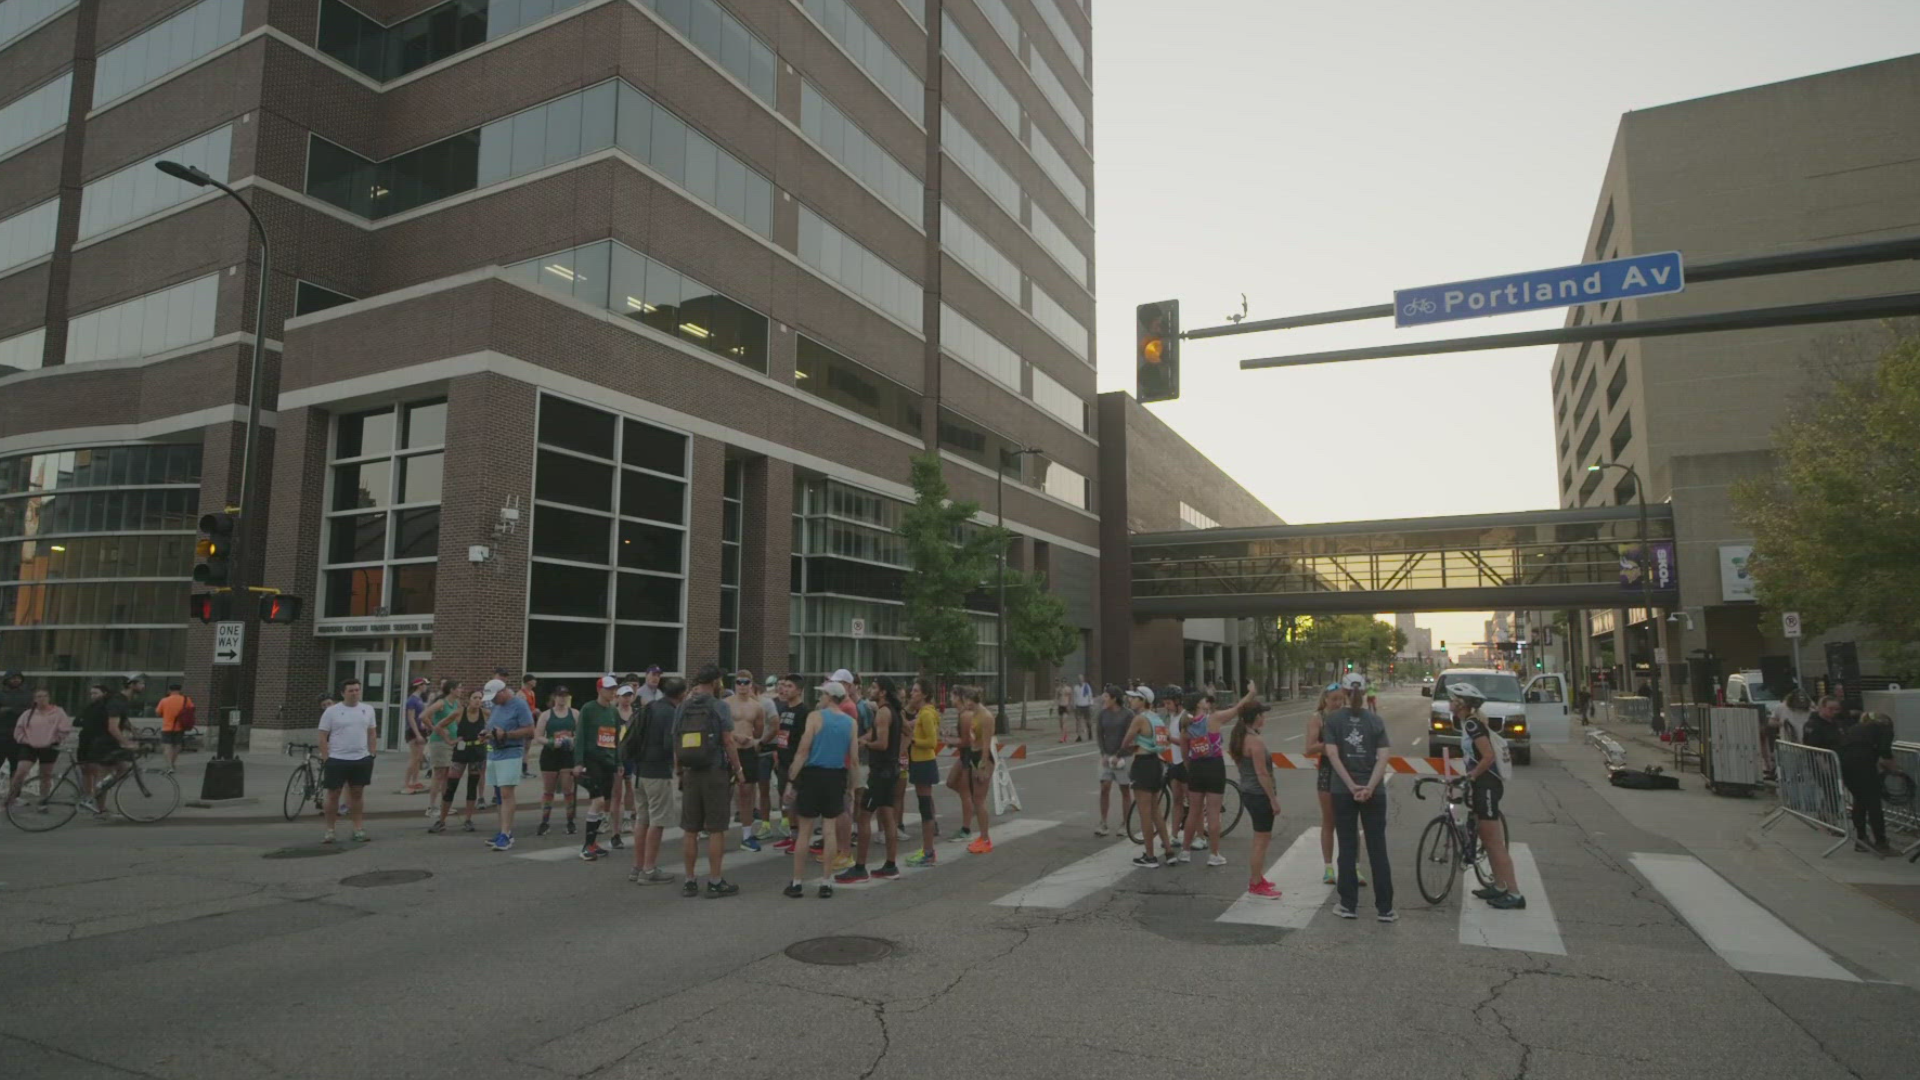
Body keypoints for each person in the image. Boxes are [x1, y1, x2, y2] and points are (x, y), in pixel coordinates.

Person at [1322, 674, 1395, 921]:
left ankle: (1348, 904)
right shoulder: (1375, 720)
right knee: (1378, 848)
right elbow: (1383, 757)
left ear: (1343, 691)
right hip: (1374, 792)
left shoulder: (1332, 720)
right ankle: (1385, 908)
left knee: (1347, 846)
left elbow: (1333, 756)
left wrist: (1352, 786)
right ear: (1365, 693)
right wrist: (1370, 787)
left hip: (1343, 791)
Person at [1449, 682, 1525, 910]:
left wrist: (1471, 776)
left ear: (1461, 704)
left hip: (1487, 786)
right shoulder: (1469, 723)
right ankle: (1500, 886)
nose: (1449, 703)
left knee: (1493, 842)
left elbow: (1488, 757)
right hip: (1481, 786)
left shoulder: (1473, 725)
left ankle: (1514, 893)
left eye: (1452, 700)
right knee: (1487, 839)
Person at [785, 679, 858, 898]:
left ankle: (797, 882)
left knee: (805, 831)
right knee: (829, 829)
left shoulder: (815, 717)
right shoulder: (850, 723)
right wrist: (852, 787)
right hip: (836, 776)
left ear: (828, 697)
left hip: (812, 775)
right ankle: (826, 882)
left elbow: (803, 751)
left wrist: (791, 780)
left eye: (822, 694)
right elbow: (853, 760)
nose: (820, 698)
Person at [675, 665, 743, 898]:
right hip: (715, 771)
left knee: (690, 829)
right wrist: (739, 769)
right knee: (716, 829)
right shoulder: (719, 706)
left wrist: (679, 772)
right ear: (715, 682)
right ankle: (714, 881)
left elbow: (676, 741)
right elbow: (728, 741)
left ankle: (690, 880)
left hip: (691, 771)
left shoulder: (683, 705)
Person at [1181, 682, 1260, 867]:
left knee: (1194, 811)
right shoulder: (1213, 719)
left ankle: (1185, 851)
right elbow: (1238, 708)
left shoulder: (1187, 727)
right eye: (1204, 700)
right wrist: (1251, 693)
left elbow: (1185, 754)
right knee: (1214, 812)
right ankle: (1214, 854)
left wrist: (1190, 768)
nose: (1208, 702)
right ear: (1200, 705)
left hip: (1196, 767)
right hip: (1214, 766)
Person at [839, 676, 904, 883]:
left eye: (875, 687)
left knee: (864, 816)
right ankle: (890, 865)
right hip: (891, 769)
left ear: (883, 692)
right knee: (887, 816)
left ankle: (859, 868)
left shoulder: (883, 712)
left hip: (881, 771)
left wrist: (866, 744)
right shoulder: (892, 711)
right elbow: (901, 734)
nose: (870, 690)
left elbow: (883, 743)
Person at [1305, 685, 1367, 886]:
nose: (1338, 703)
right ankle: (1328, 868)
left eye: (1341, 699)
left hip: (1349, 771)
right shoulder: (1318, 718)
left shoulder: (1349, 717)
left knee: (1351, 822)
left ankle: (1355, 868)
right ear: (1325, 700)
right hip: (1328, 771)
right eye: (1334, 699)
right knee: (1329, 821)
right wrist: (1330, 748)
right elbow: (1309, 747)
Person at [627, 675, 684, 884]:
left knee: (642, 819)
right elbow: (670, 745)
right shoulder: (670, 712)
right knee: (657, 821)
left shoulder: (650, 707)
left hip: (639, 769)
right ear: (681, 694)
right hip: (658, 771)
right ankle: (649, 869)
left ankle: (637, 866)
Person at [1229, 697, 1283, 899]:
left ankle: (1258, 877)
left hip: (1248, 790)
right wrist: (1273, 799)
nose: (1264, 717)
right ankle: (1255, 882)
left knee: (1260, 838)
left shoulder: (1240, 738)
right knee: (1261, 839)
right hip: (1259, 794)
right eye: (1262, 714)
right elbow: (1262, 773)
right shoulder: (1255, 742)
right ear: (1256, 717)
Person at [317, 679, 379, 843]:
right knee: (333, 794)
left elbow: (372, 733)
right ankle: (330, 830)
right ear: (343, 693)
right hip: (337, 759)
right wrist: (326, 757)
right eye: (351, 691)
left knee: (357, 794)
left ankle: (358, 828)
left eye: (357, 690)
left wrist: (372, 754)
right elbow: (322, 735)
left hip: (361, 759)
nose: (354, 693)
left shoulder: (368, 709)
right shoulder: (332, 711)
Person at [1120, 685, 1172, 866]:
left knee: (1145, 814)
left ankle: (1150, 856)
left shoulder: (1139, 718)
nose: (1130, 700)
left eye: (1134, 698)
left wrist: (1131, 746)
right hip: (1157, 763)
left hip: (1143, 763)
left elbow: (1126, 741)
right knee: (1156, 811)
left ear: (1143, 701)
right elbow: (1162, 742)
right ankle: (1169, 850)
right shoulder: (1156, 718)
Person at [481, 678, 535, 851]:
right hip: (494, 752)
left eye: (495, 696)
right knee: (498, 794)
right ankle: (504, 831)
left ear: (503, 692)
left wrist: (507, 734)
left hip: (511, 752)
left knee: (506, 793)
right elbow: (492, 726)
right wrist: (486, 733)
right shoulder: (496, 706)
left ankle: (506, 834)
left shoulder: (519, 705)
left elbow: (529, 730)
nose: (493, 700)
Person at [570, 681, 620, 861]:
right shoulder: (588, 709)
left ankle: (593, 843)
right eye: (609, 689)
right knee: (597, 800)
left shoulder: (614, 711)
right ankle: (586, 845)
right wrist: (578, 762)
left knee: (603, 802)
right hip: (592, 761)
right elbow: (580, 735)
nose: (613, 692)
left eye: (614, 689)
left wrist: (618, 761)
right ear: (599, 690)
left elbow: (615, 739)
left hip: (608, 761)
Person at [1837, 711, 1897, 856]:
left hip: (1844, 763)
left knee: (1859, 799)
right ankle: (1881, 842)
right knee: (1874, 803)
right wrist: (1895, 769)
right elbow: (1885, 751)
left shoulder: (1856, 728)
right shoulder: (1885, 729)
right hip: (1863, 765)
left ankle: (1861, 838)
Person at [949, 684, 996, 854]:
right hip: (975, 756)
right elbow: (974, 737)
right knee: (977, 799)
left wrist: (982, 766)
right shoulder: (975, 714)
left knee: (980, 801)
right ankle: (982, 835)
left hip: (983, 759)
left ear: (971, 699)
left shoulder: (986, 716)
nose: (965, 704)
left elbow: (986, 744)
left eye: (966, 700)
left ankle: (985, 838)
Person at [432, 688, 487, 833]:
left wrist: (487, 736)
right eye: (475, 697)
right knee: (451, 786)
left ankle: (468, 820)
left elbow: (495, 727)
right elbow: (439, 726)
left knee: (472, 786)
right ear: (469, 699)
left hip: (477, 752)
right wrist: (449, 740)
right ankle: (441, 821)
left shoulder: (486, 713)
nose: (477, 701)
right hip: (461, 750)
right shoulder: (459, 712)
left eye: (480, 698)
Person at [76, 681, 135, 814]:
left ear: (105, 693)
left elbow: (120, 721)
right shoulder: (98, 706)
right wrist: (126, 742)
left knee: (120, 769)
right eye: (91, 693)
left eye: (95, 693)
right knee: (97, 774)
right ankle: (97, 804)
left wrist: (131, 730)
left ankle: (96, 797)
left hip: (101, 742)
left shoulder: (105, 705)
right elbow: (111, 726)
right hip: (95, 742)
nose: (92, 696)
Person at [726, 669, 769, 851]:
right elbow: (721, 728)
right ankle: (712, 829)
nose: (742, 686)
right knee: (722, 791)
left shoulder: (757, 706)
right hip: (730, 750)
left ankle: (747, 834)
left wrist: (750, 738)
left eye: (746, 682)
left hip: (748, 751)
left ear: (751, 684)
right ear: (735, 684)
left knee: (747, 793)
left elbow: (759, 731)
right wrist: (736, 736)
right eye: (739, 682)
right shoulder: (726, 704)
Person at [7, 687, 71, 808]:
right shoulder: (28, 713)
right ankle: (11, 798)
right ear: (35, 699)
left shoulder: (58, 712)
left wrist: (55, 739)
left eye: (44, 696)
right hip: (29, 746)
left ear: (49, 698)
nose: (42, 699)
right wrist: (26, 740)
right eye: (39, 697)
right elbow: (19, 731)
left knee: (45, 775)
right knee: (20, 772)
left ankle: (43, 801)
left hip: (49, 747)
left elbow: (65, 729)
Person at [901, 677, 942, 866]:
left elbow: (932, 742)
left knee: (925, 809)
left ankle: (928, 851)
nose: (912, 693)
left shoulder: (926, 714)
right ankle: (927, 849)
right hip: (919, 762)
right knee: (924, 806)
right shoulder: (923, 712)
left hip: (924, 762)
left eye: (916, 691)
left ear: (924, 694)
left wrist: (913, 741)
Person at [534, 685, 579, 838]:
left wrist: (572, 740)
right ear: (554, 697)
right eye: (559, 695)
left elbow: (581, 733)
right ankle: (544, 821)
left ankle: (570, 821)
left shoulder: (574, 714)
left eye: (565, 696)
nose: (562, 698)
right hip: (550, 755)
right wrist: (552, 742)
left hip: (567, 755)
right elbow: (538, 736)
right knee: (548, 790)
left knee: (568, 789)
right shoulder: (546, 715)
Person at [769, 674, 804, 850]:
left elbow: (805, 742)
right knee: (786, 802)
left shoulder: (804, 712)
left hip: (795, 764)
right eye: (784, 686)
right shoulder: (783, 709)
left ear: (798, 690)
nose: (785, 689)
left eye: (790, 686)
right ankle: (793, 835)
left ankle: (800, 840)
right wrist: (777, 751)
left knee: (795, 801)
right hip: (782, 762)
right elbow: (781, 734)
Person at [1093, 685, 1132, 836]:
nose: (1103, 699)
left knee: (1125, 790)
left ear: (1114, 699)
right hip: (1106, 756)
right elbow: (1099, 734)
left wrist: (1119, 754)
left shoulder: (1127, 715)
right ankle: (1103, 822)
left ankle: (1125, 823)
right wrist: (1103, 753)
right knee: (1104, 787)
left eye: (1106, 696)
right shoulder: (1102, 714)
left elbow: (1129, 736)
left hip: (1123, 757)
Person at [422, 679, 458, 818]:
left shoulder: (455, 703)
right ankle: (432, 807)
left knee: (447, 776)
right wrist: (434, 728)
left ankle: (445, 805)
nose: (461, 690)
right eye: (459, 688)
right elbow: (424, 716)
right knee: (438, 775)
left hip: (450, 743)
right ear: (452, 690)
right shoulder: (441, 703)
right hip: (439, 743)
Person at [1765, 690, 1811, 779]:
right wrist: (1782, 724)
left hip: (1806, 748)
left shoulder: (1810, 710)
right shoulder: (1781, 707)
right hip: (1788, 748)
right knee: (1790, 774)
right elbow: (1771, 722)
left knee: (1807, 775)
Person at [154, 680, 193, 773]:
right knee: (177, 746)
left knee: (167, 747)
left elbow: (158, 713)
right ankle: (173, 763)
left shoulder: (164, 700)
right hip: (180, 727)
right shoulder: (186, 700)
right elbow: (191, 711)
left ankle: (169, 765)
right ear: (180, 690)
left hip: (167, 727)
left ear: (169, 690)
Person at [400, 677, 430, 793]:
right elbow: (411, 718)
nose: (426, 687)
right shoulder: (411, 700)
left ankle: (415, 781)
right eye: (425, 685)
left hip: (420, 729)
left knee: (418, 758)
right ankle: (406, 783)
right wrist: (417, 734)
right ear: (419, 686)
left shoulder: (419, 699)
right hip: (413, 731)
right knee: (413, 758)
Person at [0, 670, 29, 778]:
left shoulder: (26, 695)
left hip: (18, 736)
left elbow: (31, 712)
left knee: (16, 768)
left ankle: (14, 794)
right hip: (1, 735)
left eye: (18, 678)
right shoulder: (1, 694)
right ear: (7, 679)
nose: (16, 680)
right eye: (13, 678)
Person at [1074, 675, 1095, 741]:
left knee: (1088, 721)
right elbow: (1074, 697)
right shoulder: (1076, 687)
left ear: (1083, 679)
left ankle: (1090, 732)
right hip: (1078, 706)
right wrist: (1074, 705)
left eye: (1081, 679)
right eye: (1079, 679)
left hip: (1086, 705)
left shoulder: (1087, 686)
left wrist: (1091, 704)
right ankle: (1079, 736)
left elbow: (1090, 695)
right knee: (1078, 721)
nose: (1080, 680)